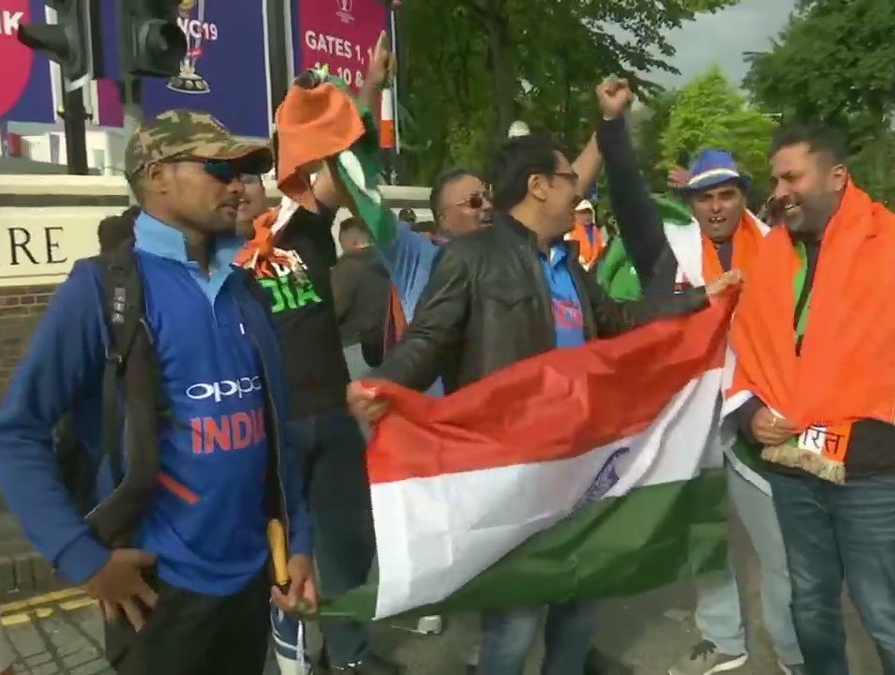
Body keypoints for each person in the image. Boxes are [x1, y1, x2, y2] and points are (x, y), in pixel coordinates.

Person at [347, 132, 739, 675]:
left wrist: (698, 301)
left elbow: (620, 321)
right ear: (538, 187)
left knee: (582, 599)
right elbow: (428, 341)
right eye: (567, 180)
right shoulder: (470, 258)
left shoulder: (569, 265)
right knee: (515, 624)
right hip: (514, 472)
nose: (576, 192)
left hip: (580, 467)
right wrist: (384, 383)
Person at [0, 110, 315, 675]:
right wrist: (82, 556)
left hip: (251, 580)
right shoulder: (101, 291)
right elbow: (16, 435)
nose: (238, 185)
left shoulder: (246, 290)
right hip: (158, 595)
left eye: (245, 171)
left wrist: (301, 537)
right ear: (157, 175)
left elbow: (280, 432)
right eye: (220, 167)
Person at [592, 80, 805, 675]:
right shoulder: (672, 254)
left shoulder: (781, 250)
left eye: (728, 195)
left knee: (782, 551)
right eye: (704, 197)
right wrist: (613, 129)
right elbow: (632, 204)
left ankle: (793, 652)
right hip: (689, 418)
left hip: (760, 417)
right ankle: (726, 640)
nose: (715, 207)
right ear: (690, 203)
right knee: (703, 540)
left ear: (744, 197)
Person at [727, 124, 895, 675]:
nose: (780, 190)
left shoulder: (888, 244)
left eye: (793, 176)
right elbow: (747, 352)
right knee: (812, 603)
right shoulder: (772, 255)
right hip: (794, 469)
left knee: (883, 610)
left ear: (838, 178)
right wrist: (751, 415)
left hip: (874, 471)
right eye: (777, 178)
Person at [233, 171, 396, 672]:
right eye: (227, 179)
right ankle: (286, 659)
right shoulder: (210, 259)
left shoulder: (298, 228)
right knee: (274, 556)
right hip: (267, 430)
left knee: (349, 545)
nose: (239, 189)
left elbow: (337, 165)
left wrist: (363, 91)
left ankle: (348, 656)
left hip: (331, 415)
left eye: (247, 178)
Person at [332, 217, 391, 375]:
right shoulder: (391, 261)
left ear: (351, 241)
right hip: (392, 342)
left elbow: (335, 309)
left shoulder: (346, 268)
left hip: (357, 347)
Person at [565, 199, 605, 270]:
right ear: (575, 215)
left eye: (589, 212)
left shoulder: (599, 233)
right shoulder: (569, 237)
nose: (587, 216)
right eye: (583, 212)